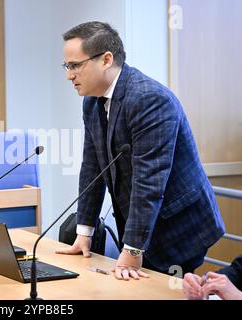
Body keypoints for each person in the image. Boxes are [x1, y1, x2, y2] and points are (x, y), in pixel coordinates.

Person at [55, 21, 225, 280]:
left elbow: (149, 181)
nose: (69, 75)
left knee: (165, 291)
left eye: (75, 65)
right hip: (144, 221)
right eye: (67, 66)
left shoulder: (149, 99)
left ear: (106, 60)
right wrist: (84, 232)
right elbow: (92, 169)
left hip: (178, 225)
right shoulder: (92, 102)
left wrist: (133, 248)